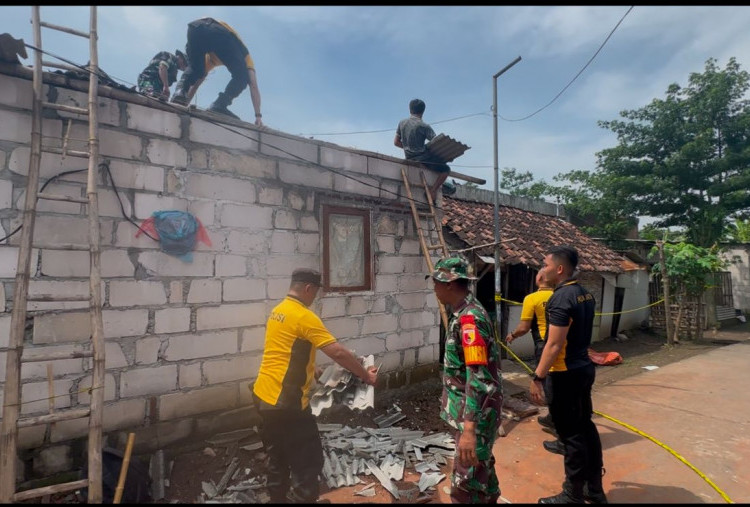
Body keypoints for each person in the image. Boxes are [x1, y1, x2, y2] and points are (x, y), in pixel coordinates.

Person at [252, 268, 377, 503]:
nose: (315, 298)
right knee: (307, 462)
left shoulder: (278, 311)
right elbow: (338, 352)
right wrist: (366, 376)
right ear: (308, 288)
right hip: (287, 403)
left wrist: (312, 370)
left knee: (277, 456)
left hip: (263, 396)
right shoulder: (304, 315)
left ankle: (277, 499)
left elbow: (284, 350)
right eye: (316, 292)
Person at [529, 246, 607, 504]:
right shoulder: (585, 294)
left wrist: (538, 377)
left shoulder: (561, 298)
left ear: (560, 269)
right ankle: (593, 487)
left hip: (565, 373)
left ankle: (571, 494)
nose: (543, 269)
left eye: (546, 264)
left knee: (571, 435)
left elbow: (553, 344)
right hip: (584, 367)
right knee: (586, 427)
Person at [427, 255, 503, 503]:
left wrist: (470, 429)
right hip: (470, 412)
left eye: (437, 282)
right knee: (481, 469)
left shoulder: (470, 320)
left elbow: (478, 377)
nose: (434, 288)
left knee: (463, 484)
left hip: (474, 416)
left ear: (449, 284)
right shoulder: (463, 313)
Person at [506, 271, 563, 454]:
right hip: (561, 343)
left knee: (547, 383)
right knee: (556, 380)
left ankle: (558, 427)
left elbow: (524, 327)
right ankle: (551, 418)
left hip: (544, 344)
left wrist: (512, 335)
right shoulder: (559, 296)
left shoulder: (532, 298)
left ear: (538, 280)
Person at [170, 17, 263, 125]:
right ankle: (219, 105)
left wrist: (183, 104)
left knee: (196, 68)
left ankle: (179, 92)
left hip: (194, 29)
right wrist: (258, 116)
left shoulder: (210, 59)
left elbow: (197, 82)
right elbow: (253, 85)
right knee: (242, 77)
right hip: (219, 32)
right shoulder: (245, 56)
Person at [394, 98, 451, 198]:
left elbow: (396, 142)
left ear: (410, 109)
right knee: (446, 169)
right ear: (423, 111)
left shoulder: (402, 123)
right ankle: (433, 191)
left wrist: (408, 147)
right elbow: (436, 143)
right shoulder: (424, 126)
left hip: (409, 157)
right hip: (423, 159)